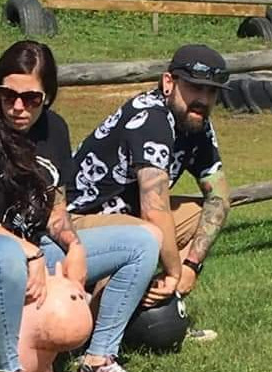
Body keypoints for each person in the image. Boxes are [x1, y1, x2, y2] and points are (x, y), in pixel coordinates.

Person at [0, 40, 160, 372]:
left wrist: (74, 245)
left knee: (144, 242)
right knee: (4, 252)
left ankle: (99, 359)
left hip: (30, 251)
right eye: (8, 95)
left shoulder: (55, 131)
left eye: (31, 98)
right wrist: (29, 252)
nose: (18, 107)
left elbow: (55, 210)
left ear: (47, 96)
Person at [66, 44, 232, 341]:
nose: (203, 100)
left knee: (202, 215)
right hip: (73, 220)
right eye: (195, 88)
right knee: (143, 235)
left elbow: (219, 196)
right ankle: (88, 338)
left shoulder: (197, 124)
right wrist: (174, 272)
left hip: (124, 217)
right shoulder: (151, 119)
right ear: (169, 82)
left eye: (212, 92)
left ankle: (155, 311)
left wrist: (190, 266)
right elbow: (154, 210)